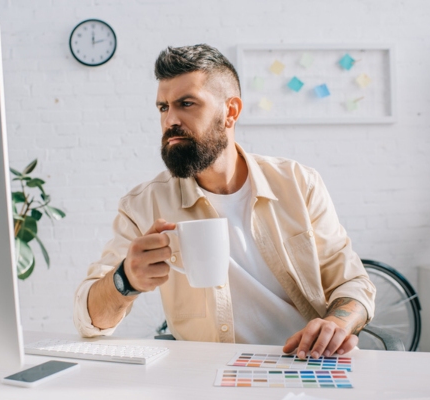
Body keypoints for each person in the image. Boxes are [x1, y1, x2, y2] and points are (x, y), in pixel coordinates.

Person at [74, 44, 376, 360]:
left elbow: (352, 283)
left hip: (305, 362)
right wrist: (126, 280)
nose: (170, 120)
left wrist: (335, 324)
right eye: (163, 107)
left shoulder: (299, 184)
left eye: (186, 104)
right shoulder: (143, 205)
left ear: (231, 111)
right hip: (205, 374)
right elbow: (90, 321)